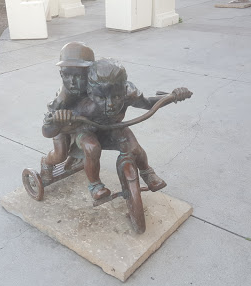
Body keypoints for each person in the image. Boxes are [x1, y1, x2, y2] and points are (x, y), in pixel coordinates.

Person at [43, 58, 192, 200]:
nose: (110, 105)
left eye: (116, 97)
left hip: (111, 127)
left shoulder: (129, 93)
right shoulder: (81, 105)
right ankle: (94, 185)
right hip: (84, 130)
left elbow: (148, 103)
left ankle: (147, 171)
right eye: (101, 98)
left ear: (124, 89)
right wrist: (58, 120)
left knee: (134, 147)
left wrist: (172, 97)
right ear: (90, 93)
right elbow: (48, 131)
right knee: (86, 149)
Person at [40, 42, 95, 182]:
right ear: (61, 74)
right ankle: (46, 162)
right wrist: (57, 121)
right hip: (64, 127)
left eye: (79, 76)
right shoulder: (62, 99)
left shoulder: (96, 89)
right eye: (66, 75)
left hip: (83, 124)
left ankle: (76, 155)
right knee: (60, 155)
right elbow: (47, 131)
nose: (71, 82)